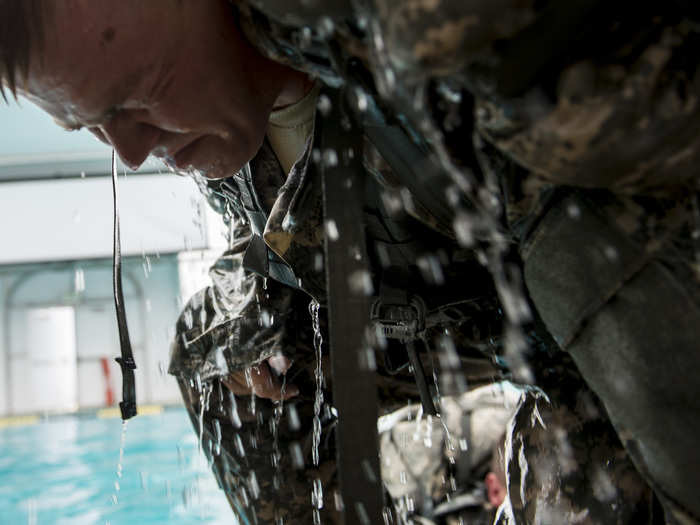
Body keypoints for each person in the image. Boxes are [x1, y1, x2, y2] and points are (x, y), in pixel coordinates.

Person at [3, 0, 699, 523]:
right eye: (87, 123)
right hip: (467, 299)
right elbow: (293, 222)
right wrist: (272, 313)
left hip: (618, 297)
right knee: (219, 344)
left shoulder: (419, 40)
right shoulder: (221, 119)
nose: (126, 149)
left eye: (132, 95)